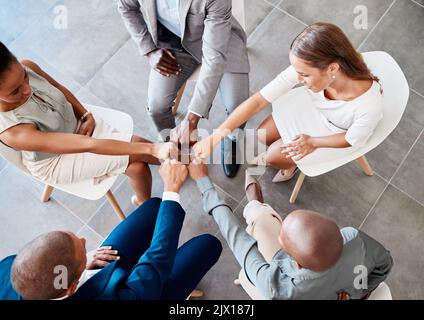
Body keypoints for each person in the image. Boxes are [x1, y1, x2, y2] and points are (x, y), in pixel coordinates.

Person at [0, 159, 222, 300]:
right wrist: (172, 190)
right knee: (208, 245)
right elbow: (155, 262)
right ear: (69, 288)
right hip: (140, 294)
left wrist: (81, 263)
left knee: (153, 208)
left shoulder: (10, 268)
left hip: (88, 277)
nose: (84, 239)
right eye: (81, 247)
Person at [193, 22, 383, 183]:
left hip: (335, 132)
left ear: (332, 68)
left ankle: (290, 165)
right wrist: (214, 138)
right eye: (297, 71)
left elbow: (351, 139)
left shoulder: (368, 106)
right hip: (312, 110)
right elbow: (258, 101)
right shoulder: (307, 69)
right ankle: (288, 156)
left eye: (304, 75)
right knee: (261, 134)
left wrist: (313, 142)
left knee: (272, 156)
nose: (298, 79)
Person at [0, 42, 177, 206]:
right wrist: (152, 149)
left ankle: (145, 200)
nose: (27, 89)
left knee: (137, 167)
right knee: (139, 147)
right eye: (15, 91)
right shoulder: (13, 132)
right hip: (55, 160)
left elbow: (58, 88)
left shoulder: (28, 66)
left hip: (77, 126)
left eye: (24, 77)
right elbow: (88, 145)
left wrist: (85, 114)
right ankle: (186, 160)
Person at [188, 161, 393, 299]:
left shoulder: (278, 287)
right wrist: (357, 294)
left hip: (267, 288)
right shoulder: (354, 238)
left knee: (259, 220)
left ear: (294, 260)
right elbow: (385, 265)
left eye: (283, 238)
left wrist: (203, 181)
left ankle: (254, 200)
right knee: (260, 218)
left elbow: (234, 235)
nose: (280, 236)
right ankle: (254, 197)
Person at [117, 0, 250, 177]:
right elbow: (126, 8)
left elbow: (214, 58)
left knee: (237, 107)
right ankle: (174, 146)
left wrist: (191, 119)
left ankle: (232, 137)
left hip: (221, 43)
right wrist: (149, 50)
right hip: (172, 43)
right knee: (156, 107)